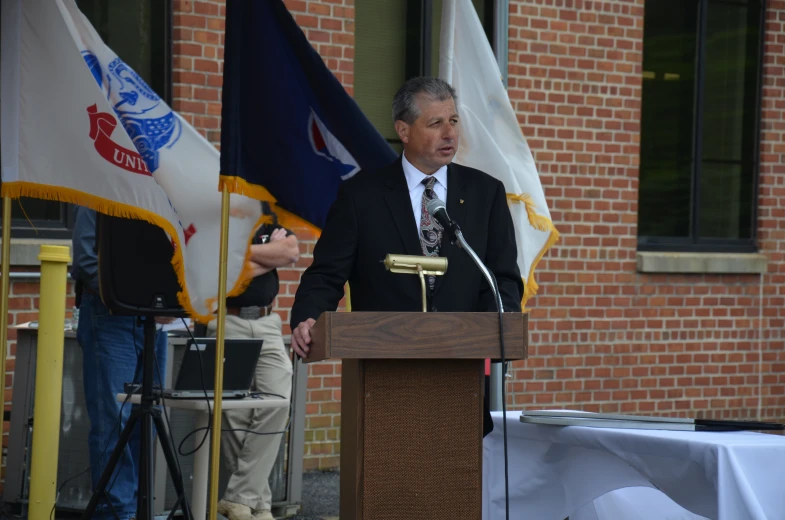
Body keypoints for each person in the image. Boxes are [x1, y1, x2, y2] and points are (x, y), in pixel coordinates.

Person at [290, 76, 523, 436]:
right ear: (404, 129)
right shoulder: (361, 196)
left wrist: (497, 331)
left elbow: (501, 278)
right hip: (383, 380)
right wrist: (307, 318)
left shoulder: (485, 194)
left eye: (454, 121)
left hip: (458, 379)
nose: (449, 133)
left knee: (454, 485)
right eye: (435, 123)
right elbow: (326, 275)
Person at [71, 206, 169, 520]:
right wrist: (141, 294)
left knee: (148, 416)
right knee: (114, 418)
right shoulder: (96, 194)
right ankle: (116, 513)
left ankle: (138, 507)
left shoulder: (158, 196)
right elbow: (88, 260)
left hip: (152, 319)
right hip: (109, 314)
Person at [213, 202, 297, 520]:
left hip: (267, 322)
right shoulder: (217, 211)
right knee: (234, 413)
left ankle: (239, 497)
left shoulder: (265, 210)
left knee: (278, 402)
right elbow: (222, 270)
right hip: (227, 319)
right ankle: (256, 507)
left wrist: (244, 254)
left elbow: (290, 252)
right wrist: (264, 251)